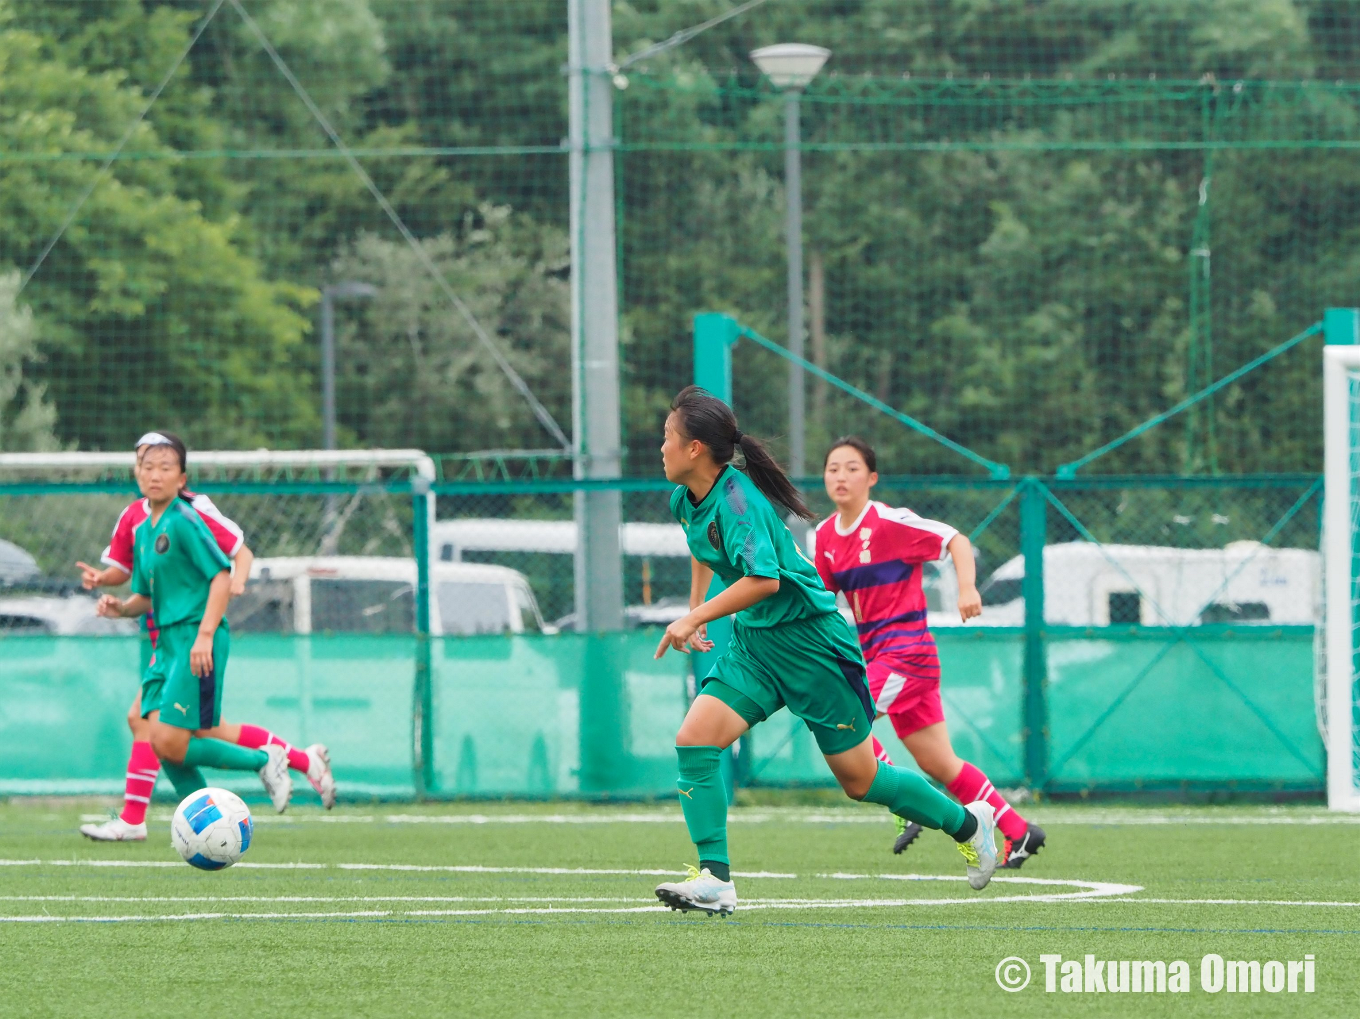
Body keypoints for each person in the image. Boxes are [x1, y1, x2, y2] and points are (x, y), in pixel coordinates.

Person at [650, 387, 999, 917]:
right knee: (694, 741)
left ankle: (970, 823)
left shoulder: (739, 500)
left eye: (668, 437)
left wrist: (694, 617)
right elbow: (704, 546)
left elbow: (764, 581)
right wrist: (697, 605)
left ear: (695, 448)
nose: (662, 447)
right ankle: (715, 879)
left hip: (814, 646)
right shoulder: (685, 497)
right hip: (757, 645)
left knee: (862, 782)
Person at [815, 436, 1045, 869]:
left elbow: (956, 540)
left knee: (844, 715)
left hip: (907, 654)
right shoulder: (826, 536)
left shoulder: (890, 522)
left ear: (872, 477)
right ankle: (1018, 830)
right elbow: (822, 600)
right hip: (881, 657)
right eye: (833, 469)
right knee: (940, 762)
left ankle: (905, 804)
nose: (841, 476)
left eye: (852, 468)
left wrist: (967, 587)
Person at [87, 434, 329, 836]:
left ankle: (264, 762)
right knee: (164, 734)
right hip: (166, 642)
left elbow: (226, 569)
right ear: (136, 470)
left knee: (167, 738)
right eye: (147, 465)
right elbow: (144, 594)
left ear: (182, 477)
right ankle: (209, 824)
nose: (154, 473)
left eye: (165, 466)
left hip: (193, 640)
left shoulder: (186, 517)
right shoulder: (142, 526)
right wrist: (119, 608)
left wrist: (206, 632)